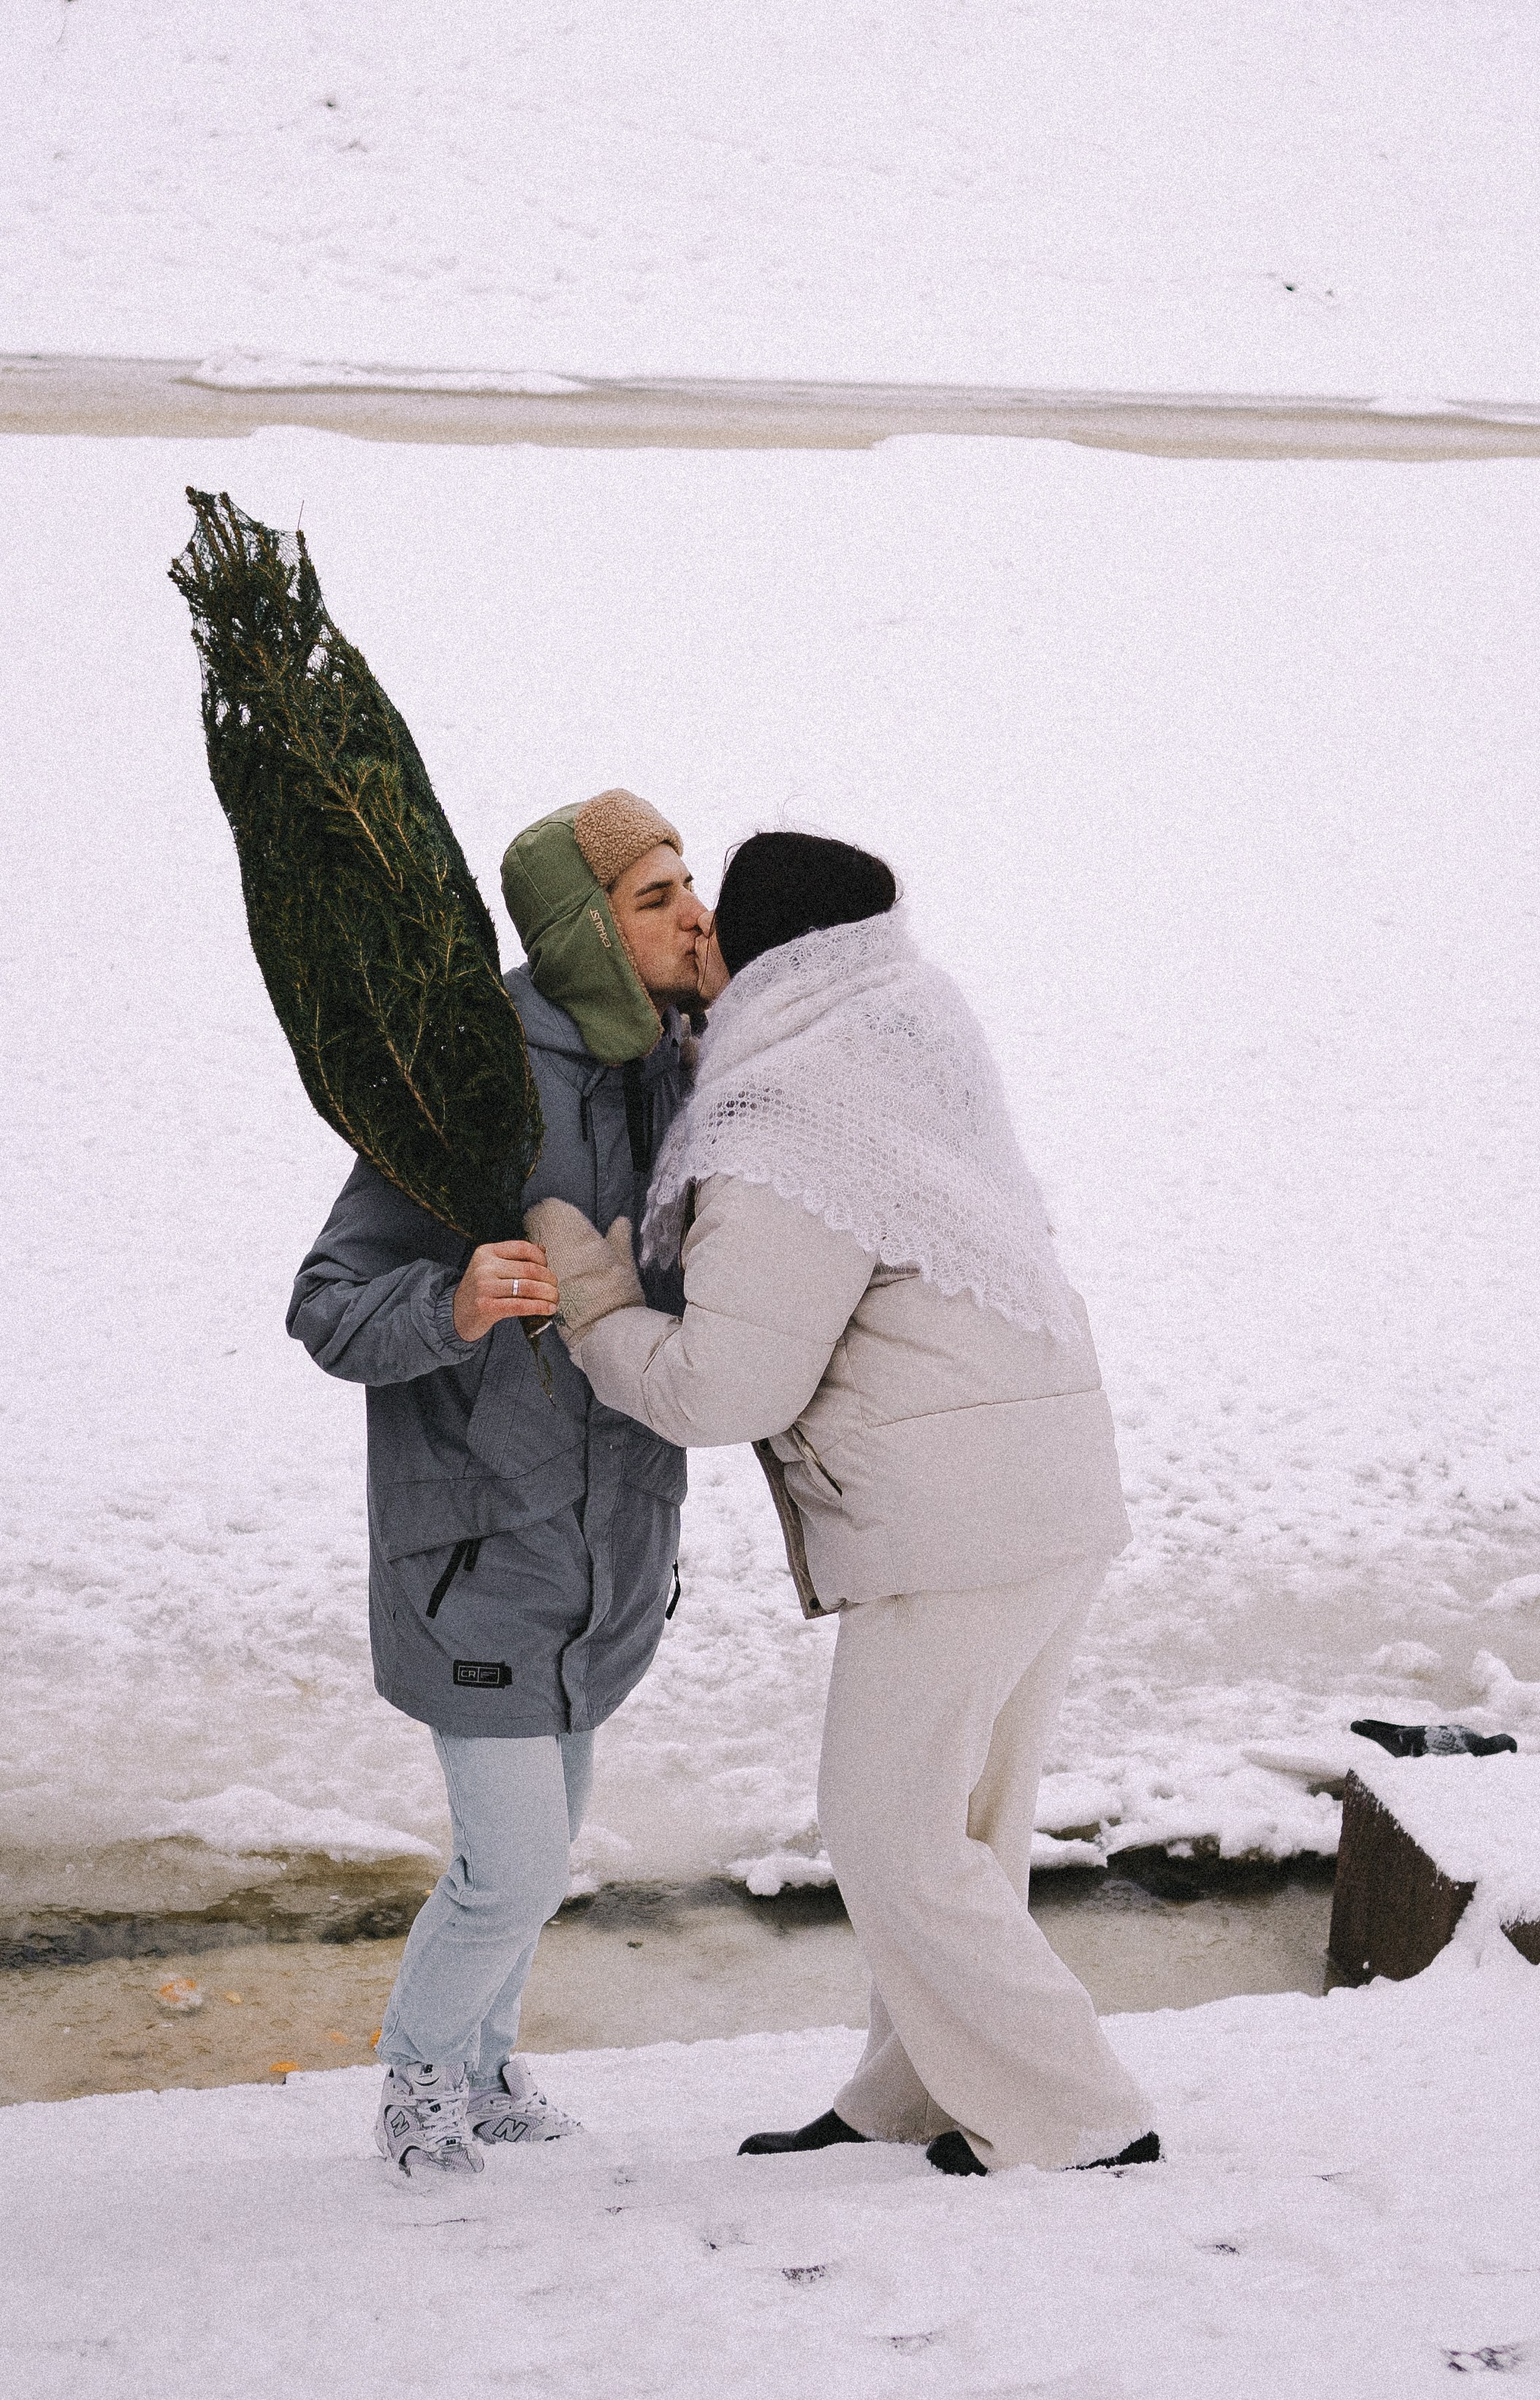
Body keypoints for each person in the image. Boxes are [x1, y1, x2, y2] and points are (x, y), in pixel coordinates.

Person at [530, 831, 1159, 2177]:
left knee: (886, 1828)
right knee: (962, 1824)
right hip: (1045, 1485)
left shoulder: (782, 1123)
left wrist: (592, 1298)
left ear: (768, 958)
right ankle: (916, 2091)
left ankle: (1082, 2119)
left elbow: (723, 1387)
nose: (695, 936)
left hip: (959, 1520)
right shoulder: (906, 1022)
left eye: (714, 926)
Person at [288, 789, 709, 2180]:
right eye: (654, 898)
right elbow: (328, 1300)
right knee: (513, 1866)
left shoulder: (678, 1074)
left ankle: (484, 2067)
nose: (691, 913)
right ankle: (418, 2079)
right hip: (474, 1550)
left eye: (686, 884)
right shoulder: (468, 1080)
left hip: (608, 1548)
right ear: (586, 929)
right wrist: (455, 1300)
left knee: (544, 1850)